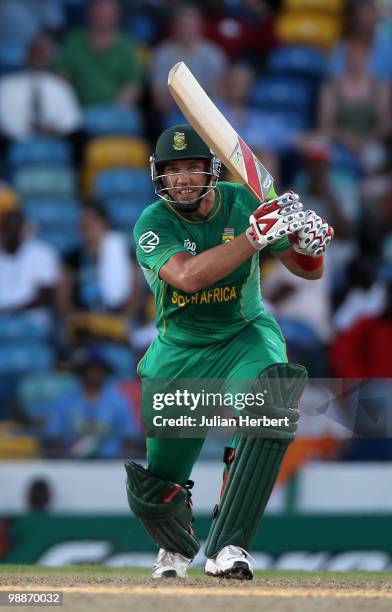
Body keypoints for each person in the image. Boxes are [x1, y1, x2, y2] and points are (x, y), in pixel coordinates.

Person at [125, 124, 334, 579]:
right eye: (172, 170)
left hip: (244, 335)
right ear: (159, 176)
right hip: (179, 352)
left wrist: (310, 248)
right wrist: (253, 239)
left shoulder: (243, 204)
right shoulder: (152, 223)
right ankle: (174, 549)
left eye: (192, 168)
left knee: (268, 405)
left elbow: (306, 270)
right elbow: (188, 277)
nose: (181, 178)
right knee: (161, 479)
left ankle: (229, 545)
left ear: (212, 171)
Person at [44, 346, 143, 459]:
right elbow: (53, 437)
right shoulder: (65, 402)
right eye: (89, 369)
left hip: (110, 463)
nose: (94, 373)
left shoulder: (119, 402)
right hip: (71, 463)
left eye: (98, 369)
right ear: (81, 372)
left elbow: (130, 439)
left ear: (105, 371)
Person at [56, 0, 141, 107]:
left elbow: (132, 85)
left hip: (117, 110)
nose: (102, 15)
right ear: (89, 13)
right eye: (99, 11)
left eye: (106, 12)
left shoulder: (126, 45)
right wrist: (70, 105)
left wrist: (113, 109)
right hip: (76, 108)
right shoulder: (73, 41)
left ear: (117, 15)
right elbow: (61, 78)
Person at [0, 32, 82, 142]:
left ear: (50, 57)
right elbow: (5, 121)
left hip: (55, 140)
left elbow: (72, 120)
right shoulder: (7, 86)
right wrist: (28, 133)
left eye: (43, 53)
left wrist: (55, 130)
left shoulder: (60, 86)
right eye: (35, 52)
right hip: (16, 141)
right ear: (27, 54)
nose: (39, 56)